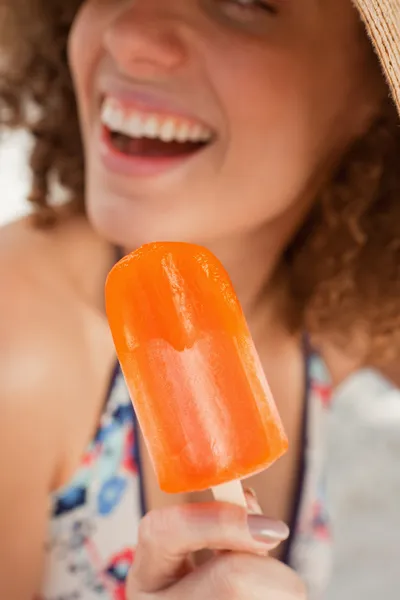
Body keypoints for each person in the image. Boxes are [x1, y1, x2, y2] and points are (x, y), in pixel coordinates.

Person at [0, 0, 399, 598]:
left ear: (372, 91)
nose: (129, 34)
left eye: (238, 0)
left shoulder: (338, 315)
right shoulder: (20, 338)